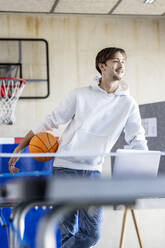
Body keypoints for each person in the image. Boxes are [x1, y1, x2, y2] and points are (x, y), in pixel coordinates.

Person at [9, 47, 148, 248]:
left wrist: (144, 171)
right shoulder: (79, 95)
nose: (121, 65)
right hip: (64, 167)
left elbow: (137, 139)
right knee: (68, 232)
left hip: (93, 171)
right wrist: (20, 148)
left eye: (124, 61)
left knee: (92, 234)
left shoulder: (128, 104)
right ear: (102, 66)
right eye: (116, 61)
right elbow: (50, 121)